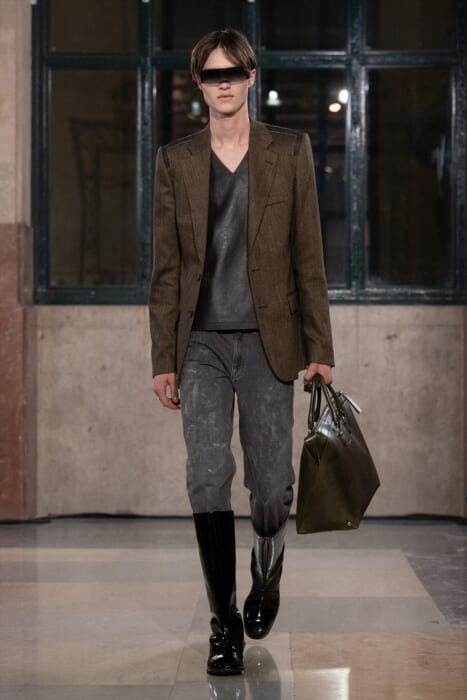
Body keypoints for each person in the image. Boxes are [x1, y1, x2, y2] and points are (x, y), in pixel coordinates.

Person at [149, 28, 334, 676]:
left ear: (251, 77)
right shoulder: (175, 160)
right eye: (211, 74)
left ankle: (267, 567)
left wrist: (320, 346)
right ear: (199, 84)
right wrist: (163, 357)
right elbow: (166, 268)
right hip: (200, 342)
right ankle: (223, 624)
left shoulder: (289, 150)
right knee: (205, 475)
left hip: (267, 340)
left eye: (233, 72)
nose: (222, 83)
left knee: (271, 485)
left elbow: (308, 254)